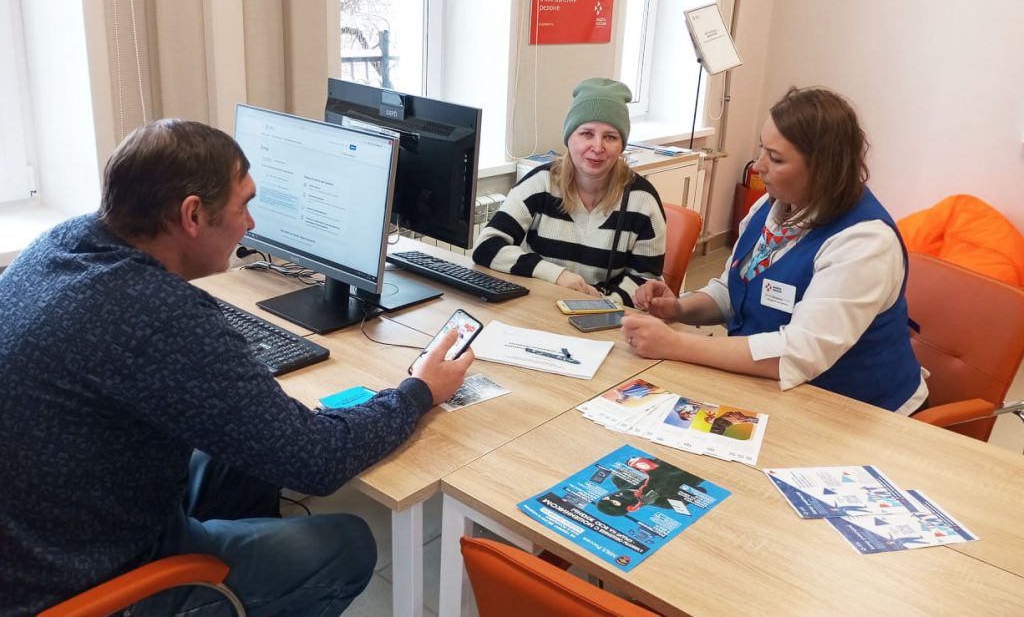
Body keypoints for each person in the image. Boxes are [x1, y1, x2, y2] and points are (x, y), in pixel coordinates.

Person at [0, 119, 474, 616]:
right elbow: (316, 461)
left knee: (244, 460)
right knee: (347, 544)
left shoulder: (63, 242)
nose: (250, 224)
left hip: (43, 534)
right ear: (192, 215)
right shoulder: (156, 313)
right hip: (82, 580)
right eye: (243, 205)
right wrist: (418, 392)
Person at [623, 87, 928, 414]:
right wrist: (679, 309)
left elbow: (798, 353)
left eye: (776, 158)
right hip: (776, 391)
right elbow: (733, 290)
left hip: (859, 409)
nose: (757, 166)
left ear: (823, 169)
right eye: (761, 149)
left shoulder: (865, 243)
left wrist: (675, 344)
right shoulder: (771, 208)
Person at [472, 77, 666, 306]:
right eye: (586, 133)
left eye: (610, 137)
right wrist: (557, 275)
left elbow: (646, 282)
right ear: (568, 138)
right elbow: (486, 246)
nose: (597, 147)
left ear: (622, 145)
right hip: (540, 307)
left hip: (607, 314)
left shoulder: (643, 201)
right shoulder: (540, 183)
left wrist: (600, 305)